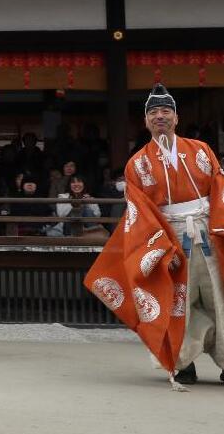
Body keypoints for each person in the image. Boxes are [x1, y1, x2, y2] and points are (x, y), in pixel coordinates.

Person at [86, 84, 224, 387]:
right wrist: (163, 249)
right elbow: (141, 214)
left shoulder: (201, 150)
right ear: (146, 121)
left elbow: (219, 190)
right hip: (170, 236)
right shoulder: (137, 164)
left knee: (219, 297)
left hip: (208, 232)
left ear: (176, 117)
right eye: (153, 113)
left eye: (165, 111)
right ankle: (182, 361)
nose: (160, 116)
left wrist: (219, 228)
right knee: (179, 303)